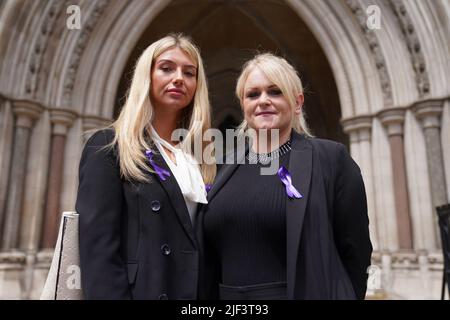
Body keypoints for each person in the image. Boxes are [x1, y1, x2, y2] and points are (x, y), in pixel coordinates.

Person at [197, 53, 372, 300]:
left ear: (298, 102)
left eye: (275, 92)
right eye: (253, 94)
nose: (263, 101)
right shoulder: (222, 167)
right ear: (243, 105)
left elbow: (356, 251)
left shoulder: (331, 159)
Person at [76, 34, 215, 299]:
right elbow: (99, 253)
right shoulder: (108, 147)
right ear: (147, 76)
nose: (178, 78)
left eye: (189, 72)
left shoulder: (197, 160)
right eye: (166, 68)